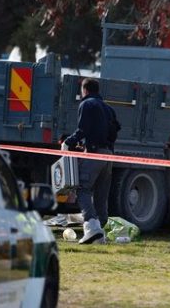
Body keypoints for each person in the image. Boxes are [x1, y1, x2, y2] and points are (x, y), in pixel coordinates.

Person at [63, 78, 118, 244]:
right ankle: (101, 231)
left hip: (94, 153)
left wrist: (68, 142)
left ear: (84, 90)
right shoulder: (109, 108)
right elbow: (113, 132)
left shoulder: (87, 104)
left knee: (82, 188)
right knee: (101, 194)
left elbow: (83, 129)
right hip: (108, 155)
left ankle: (92, 228)